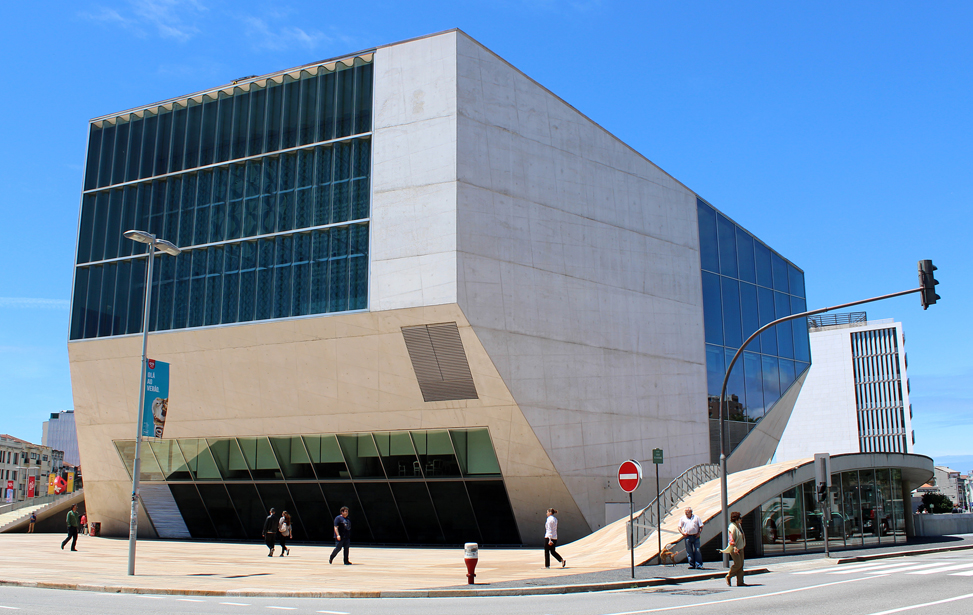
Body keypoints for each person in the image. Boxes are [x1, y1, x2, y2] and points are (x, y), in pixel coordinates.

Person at [726, 511, 747, 587]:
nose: (741, 519)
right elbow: (731, 539)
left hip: (741, 548)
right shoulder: (732, 527)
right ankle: (729, 576)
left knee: (741, 565)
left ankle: (740, 581)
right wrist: (734, 547)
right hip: (735, 549)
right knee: (738, 564)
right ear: (736, 519)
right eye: (740, 518)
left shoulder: (739, 525)